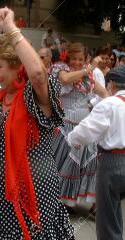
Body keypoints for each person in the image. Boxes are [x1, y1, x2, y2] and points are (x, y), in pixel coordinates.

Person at [0, 7, 75, 240]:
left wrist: (10, 27)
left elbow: (38, 75)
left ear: (16, 63)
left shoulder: (34, 95)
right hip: (1, 190)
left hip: (36, 189)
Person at [68, 65, 125, 240]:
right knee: (114, 212)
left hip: (113, 163)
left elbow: (86, 130)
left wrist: (72, 139)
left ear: (112, 84)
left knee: (107, 217)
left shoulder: (110, 104)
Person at [51, 42, 109, 214]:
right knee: (63, 165)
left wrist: (102, 111)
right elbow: (65, 79)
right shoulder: (60, 69)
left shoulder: (87, 78)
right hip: (65, 126)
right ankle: (57, 202)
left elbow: (104, 93)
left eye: (80, 59)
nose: (76, 62)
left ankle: (74, 202)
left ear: (85, 59)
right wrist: (88, 68)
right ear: (67, 58)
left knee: (86, 165)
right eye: (74, 59)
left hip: (83, 128)